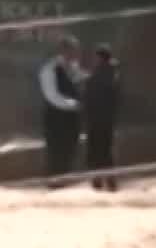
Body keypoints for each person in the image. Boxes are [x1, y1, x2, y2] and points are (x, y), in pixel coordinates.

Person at [37, 36, 85, 178]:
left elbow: (78, 81)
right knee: (56, 152)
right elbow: (52, 96)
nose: (76, 54)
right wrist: (74, 104)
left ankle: (66, 180)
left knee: (71, 149)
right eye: (73, 50)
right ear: (63, 51)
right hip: (56, 118)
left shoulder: (74, 67)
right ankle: (54, 183)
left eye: (77, 50)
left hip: (72, 118)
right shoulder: (49, 70)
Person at [83, 44, 120, 191]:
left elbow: (89, 96)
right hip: (107, 118)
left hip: (97, 118)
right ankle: (110, 181)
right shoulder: (114, 73)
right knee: (106, 150)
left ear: (99, 58)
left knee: (96, 150)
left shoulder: (98, 75)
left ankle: (98, 181)